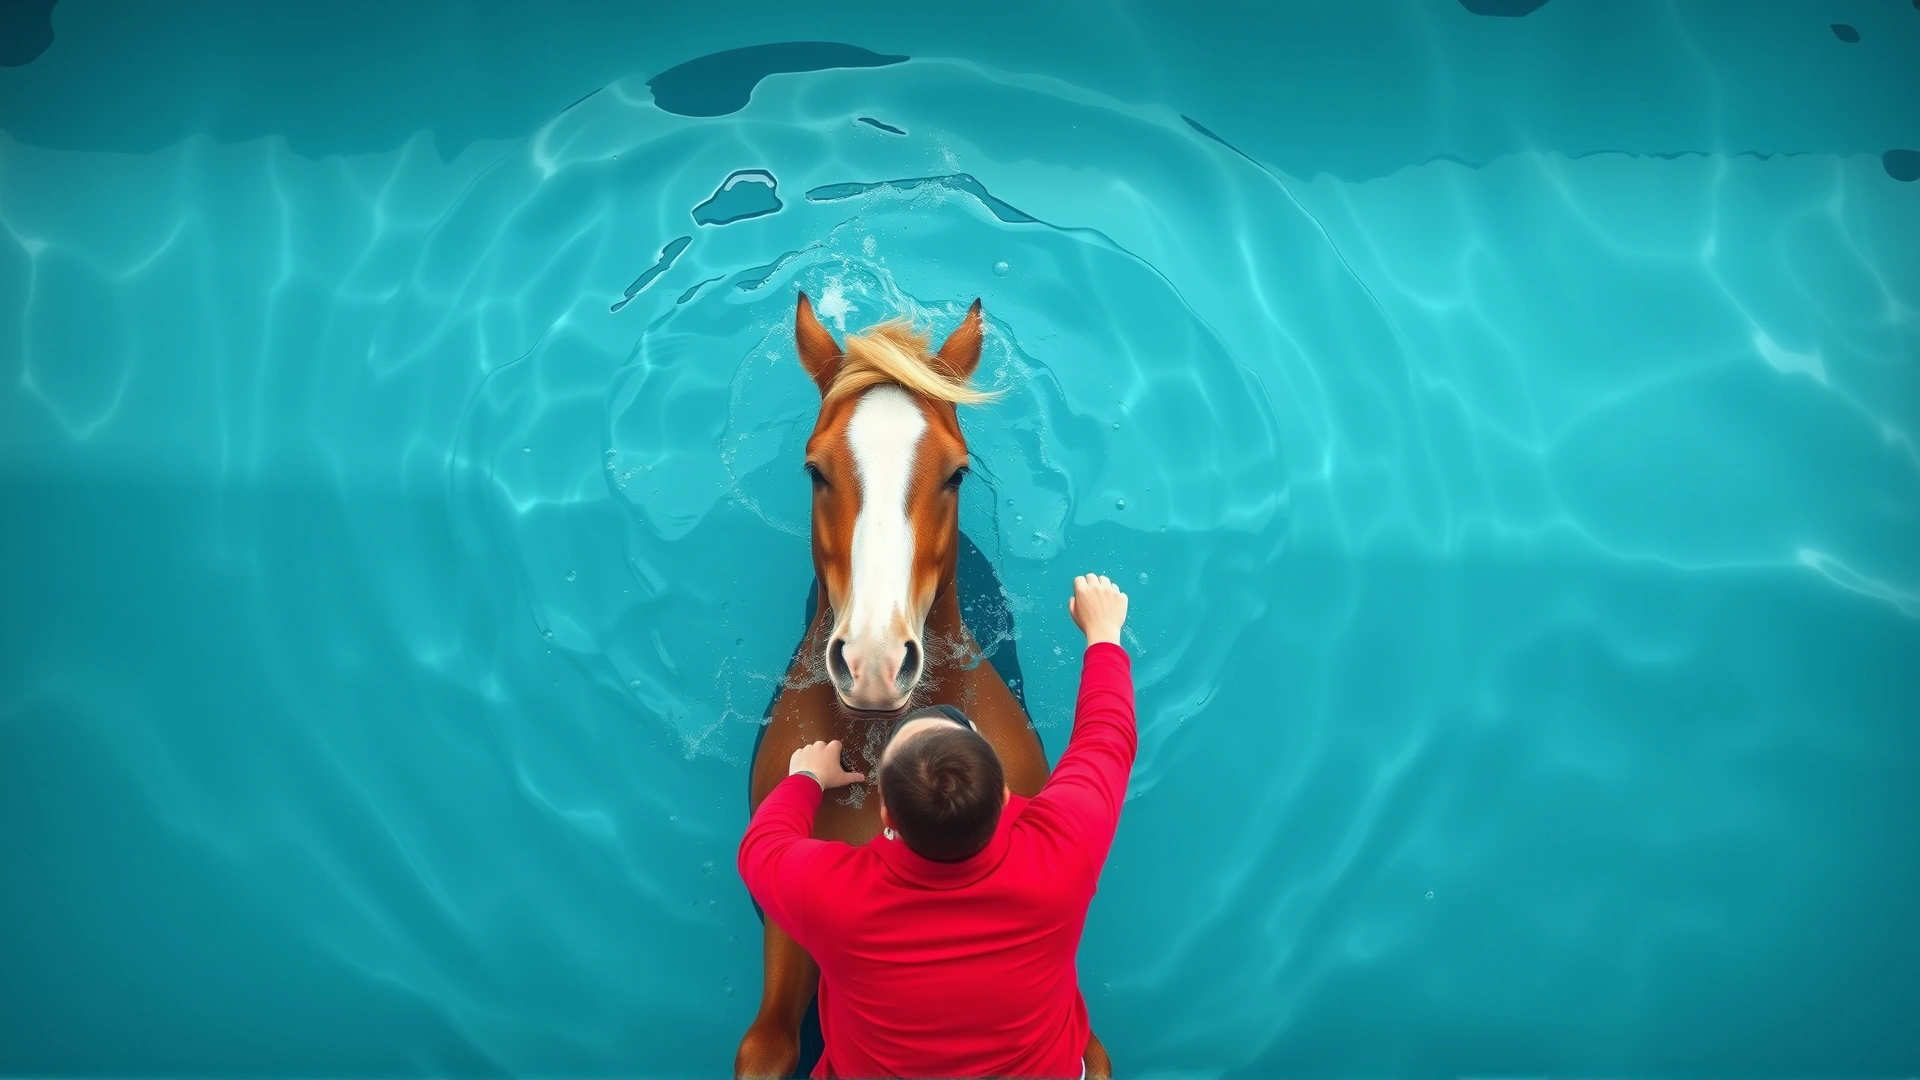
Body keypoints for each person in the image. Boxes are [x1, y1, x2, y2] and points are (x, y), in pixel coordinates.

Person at [738, 573, 1136, 1079]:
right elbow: (1107, 738)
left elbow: (762, 848)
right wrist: (1103, 635)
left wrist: (806, 780)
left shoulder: (838, 896)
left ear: (887, 817)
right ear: (1005, 793)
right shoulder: (1064, 847)